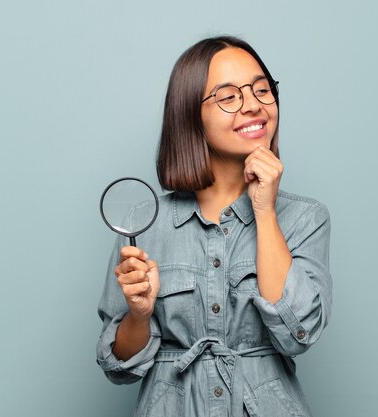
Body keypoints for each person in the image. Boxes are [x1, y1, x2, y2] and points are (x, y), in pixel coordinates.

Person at [96, 35, 332, 417]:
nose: (253, 105)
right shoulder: (145, 224)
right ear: (191, 114)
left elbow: (297, 334)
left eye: (261, 90)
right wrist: (139, 315)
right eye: (228, 97)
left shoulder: (305, 218)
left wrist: (265, 211)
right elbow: (116, 366)